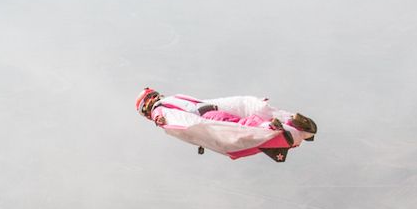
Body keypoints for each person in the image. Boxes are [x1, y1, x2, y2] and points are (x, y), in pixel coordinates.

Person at [135, 88, 317, 162]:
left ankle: (269, 128)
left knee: (238, 129)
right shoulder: (171, 99)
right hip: (211, 109)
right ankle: (294, 127)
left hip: (208, 116)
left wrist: (205, 131)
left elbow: (182, 121)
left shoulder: (160, 112)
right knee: (240, 126)